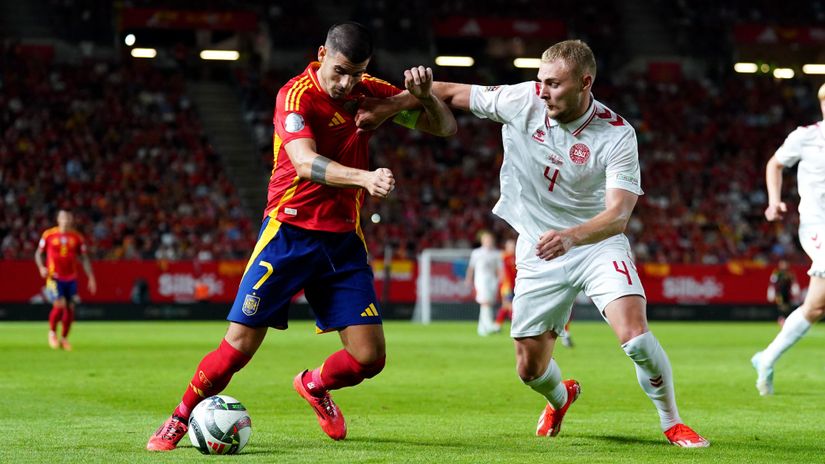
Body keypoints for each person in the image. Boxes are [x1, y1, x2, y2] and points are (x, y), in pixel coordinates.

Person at [357, 39, 708, 447]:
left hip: (595, 243)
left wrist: (572, 236)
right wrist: (394, 105)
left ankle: (671, 421)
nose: (543, 91)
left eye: (555, 84)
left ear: (585, 83)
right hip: (539, 247)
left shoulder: (616, 134)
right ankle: (560, 399)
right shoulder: (523, 100)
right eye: (540, 81)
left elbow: (618, 216)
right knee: (529, 370)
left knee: (636, 337)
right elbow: (448, 92)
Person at [146, 22, 456, 451]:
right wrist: (364, 178)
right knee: (237, 348)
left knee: (370, 358)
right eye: (341, 71)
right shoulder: (295, 95)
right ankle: (179, 418)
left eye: (357, 72)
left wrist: (422, 98)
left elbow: (445, 128)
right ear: (322, 54)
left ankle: (314, 384)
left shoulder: (366, 90)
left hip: (342, 242)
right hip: (288, 235)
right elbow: (305, 161)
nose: (347, 83)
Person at [751, 83, 825, 397]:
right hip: (817, 225)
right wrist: (774, 201)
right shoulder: (805, 137)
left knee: (816, 306)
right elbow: (775, 164)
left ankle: (766, 358)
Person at [34, 209, 97, 351]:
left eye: (68, 218)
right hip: (54, 276)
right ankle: (52, 333)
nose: (66, 220)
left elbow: (84, 258)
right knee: (59, 303)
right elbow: (38, 254)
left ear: (71, 220)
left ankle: (64, 339)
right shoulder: (49, 235)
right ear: (58, 219)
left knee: (70, 307)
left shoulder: (77, 237)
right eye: (63, 217)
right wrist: (41, 267)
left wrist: (91, 277)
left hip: (71, 277)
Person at [465, 231, 503, 336]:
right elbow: (471, 268)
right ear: (482, 241)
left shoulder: (496, 253)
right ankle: (490, 325)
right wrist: (468, 279)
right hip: (481, 279)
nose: (488, 241)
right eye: (486, 239)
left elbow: (500, 269)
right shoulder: (477, 253)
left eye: (490, 239)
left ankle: (482, 329)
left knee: (488, 302)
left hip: (492, 279)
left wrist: (500, 280)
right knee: (485, 301)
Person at [766, 259, 799, 326]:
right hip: (779, 292)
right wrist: (771, 291)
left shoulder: (789, 273)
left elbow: (793, 282)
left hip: (787, 292)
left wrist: (795, 289)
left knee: (787, 306)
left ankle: (786, 318)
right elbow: (772, 282)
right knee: (781, 305)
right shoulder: (777, 273)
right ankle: (781, 319)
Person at [494, 237, 517, 332]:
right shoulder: (503, 257)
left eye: (513, 246)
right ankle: (515, 325)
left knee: (505, 306)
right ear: (506, 247)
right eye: (510, 246)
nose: (512, 248)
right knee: (510, 306)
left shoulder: (517, 257)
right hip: (506, 286)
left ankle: (497, 325)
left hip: (515, 285)